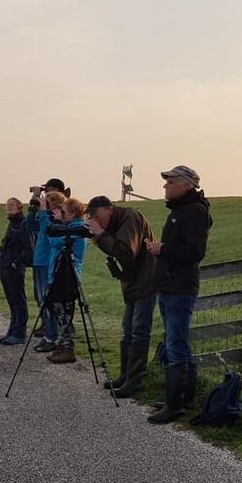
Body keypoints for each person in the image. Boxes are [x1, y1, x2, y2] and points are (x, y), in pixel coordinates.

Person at [145, 165, 212, 424]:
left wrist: (163, 249)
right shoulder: (180, 211)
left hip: (181, 287)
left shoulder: (194, 212)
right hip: (170, 285)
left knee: (177, 343)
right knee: (176, 341)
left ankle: (176, 405)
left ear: (186, 184)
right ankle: (180, 398)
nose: (165, 187)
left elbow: (195, 252)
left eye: (170, 182)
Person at [84, 195, 157, 398]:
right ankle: (125, 376)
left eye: (98, 217)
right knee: (128, 330)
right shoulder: (118, 221)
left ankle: (135, 381)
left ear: (109, 209)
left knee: (139, 331)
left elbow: (124, 252)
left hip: (145, 282)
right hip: (133, 283)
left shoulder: (130, 217)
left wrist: (99, 234)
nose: (98, 223)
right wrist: (97, 235)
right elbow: (115, 248)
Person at [44, 197, 87, 363]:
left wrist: (56, 222)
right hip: (58, 273)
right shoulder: (69, 228)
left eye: (63, 212)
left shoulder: (76, 230)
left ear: (74, 213)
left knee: (65, 313)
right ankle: (62, 344)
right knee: (57, 308)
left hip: (68, 276)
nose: (60, 214)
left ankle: (68, 346)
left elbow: (54, 241)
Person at [26, 180, 67, 353]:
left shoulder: (56, 220)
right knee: (42, 301)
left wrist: (43, 209)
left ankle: (53, 336)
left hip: (47, 263)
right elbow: (30, 224)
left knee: (48, 301)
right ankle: (48, 335)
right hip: (39, 261)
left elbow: (45, 226)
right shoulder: (46, 216)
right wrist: (35, 201)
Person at [0, 198, 32, 346]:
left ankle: (19, 333)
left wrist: (16, 263)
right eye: (7, 205)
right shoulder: (12, 224)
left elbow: (26, 247)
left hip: (14, 268)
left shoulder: (23, 224)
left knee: (18, 300)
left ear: (19, 207)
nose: (8, 208)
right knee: (11, 300)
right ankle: (12, 331)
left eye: (12, 205)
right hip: (5, 266)